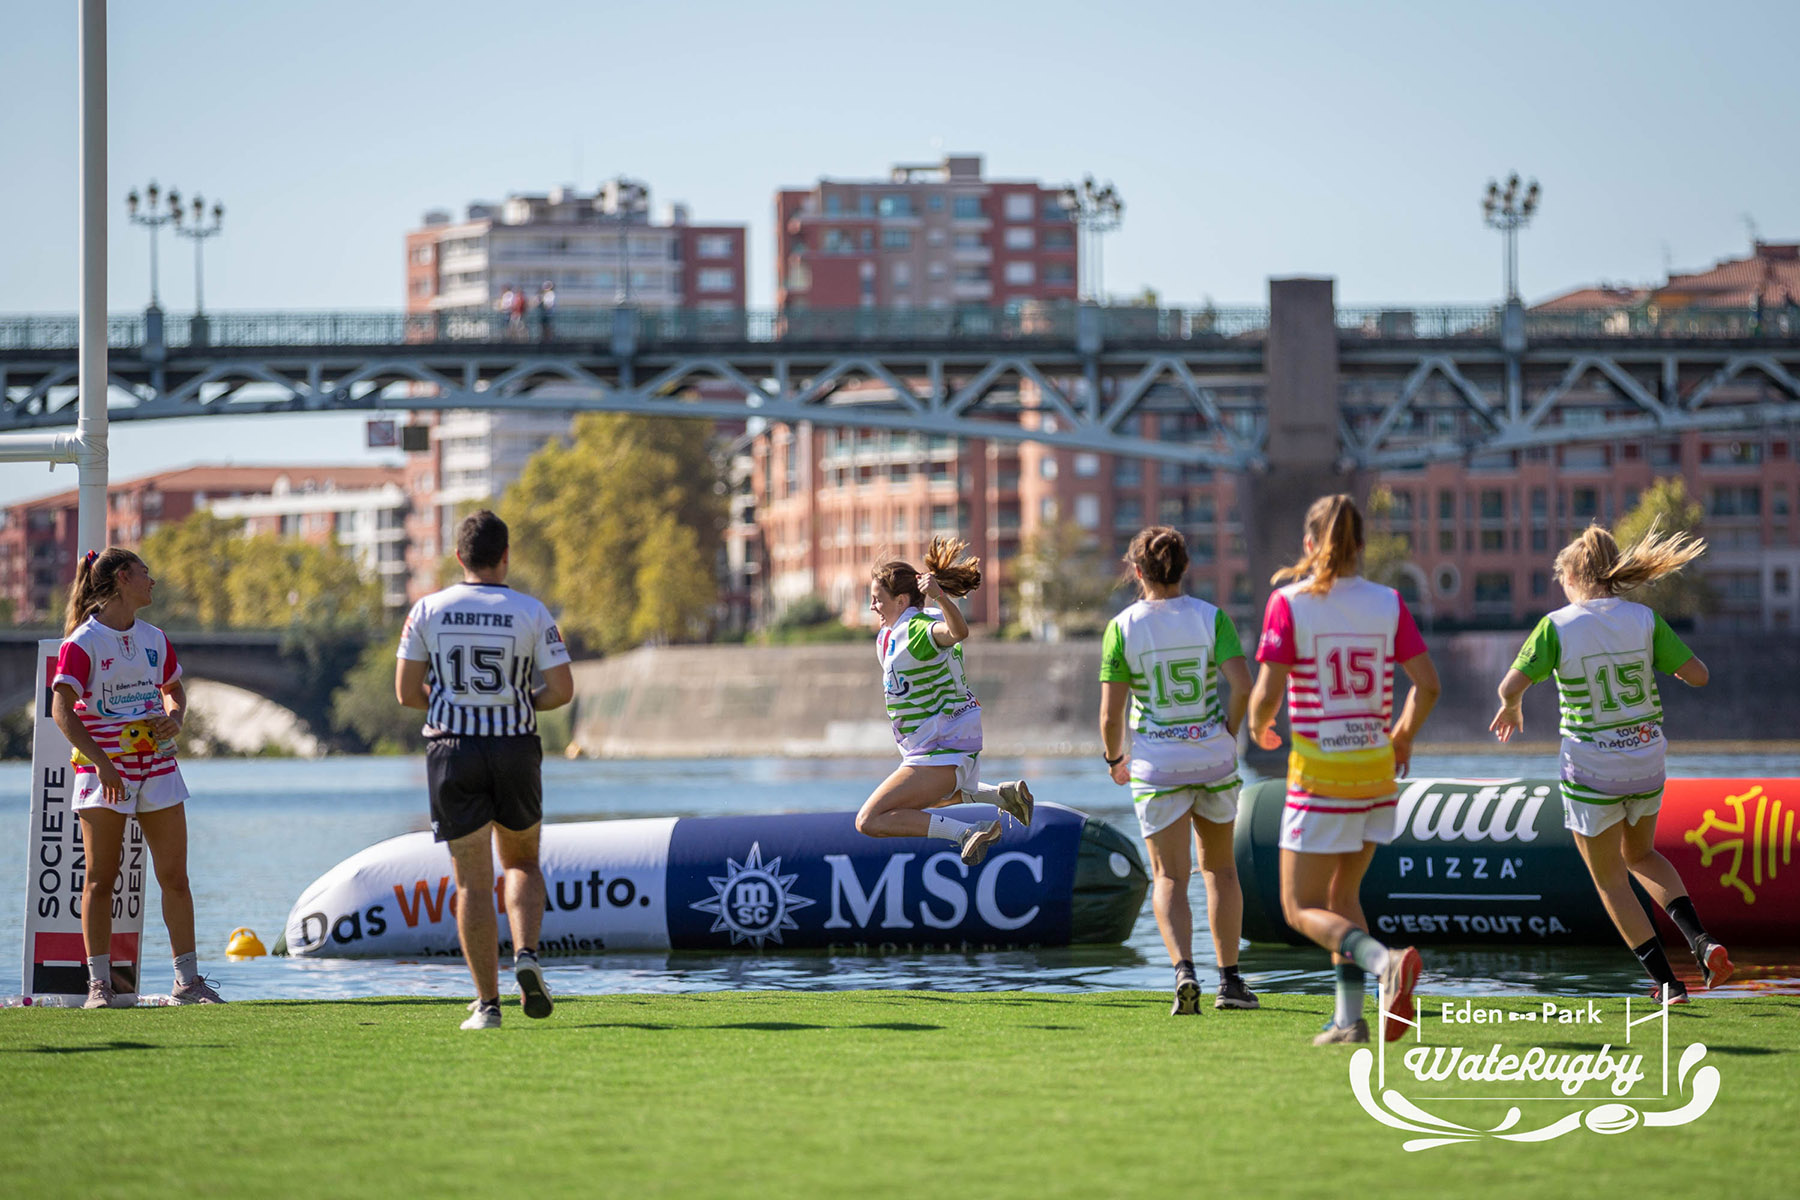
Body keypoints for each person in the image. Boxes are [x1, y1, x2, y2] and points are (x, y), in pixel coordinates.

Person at [1490, 523, 1732, 1003]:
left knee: (1610, 880)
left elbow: (1509, 685)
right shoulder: (1643, 619)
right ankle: (1702, 944)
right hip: (1646, 762)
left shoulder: (1556, 626)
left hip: (1592, 770)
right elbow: (1700, 676)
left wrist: (1513, 706)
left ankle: (1667, 984)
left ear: (1574, 577)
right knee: (1641, 854)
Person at [1247, 494, 1439, 1046]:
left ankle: (1385, 963)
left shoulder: (1290, 603)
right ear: (1361, 546)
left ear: (1310, 545)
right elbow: (1428, 686)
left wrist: (1260, 726)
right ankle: (1349, 1020)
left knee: (1297, 906)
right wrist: (1401, 736)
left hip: (1320, 778)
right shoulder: (1389, 602)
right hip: (1376, 776)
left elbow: (1267, 691)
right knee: (1343, 897)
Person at [397, 510, 574, 1030]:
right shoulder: (532, 611)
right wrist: (517, 700)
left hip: (453, 751)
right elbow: (562, 690)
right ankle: (527, 955)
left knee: (472, 883)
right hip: (516, 748)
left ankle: (488, 1006)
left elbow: (407, 693)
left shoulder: (427, 609)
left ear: (458, 557)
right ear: (505, 556)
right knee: (521, 864)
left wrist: (456, 699)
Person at [51, 547, 224, 1008]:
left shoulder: (155, 637)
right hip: (104, 772)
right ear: (124, 578)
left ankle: (187, 983)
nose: (153, 581)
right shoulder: (83, 642)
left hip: (158, 765)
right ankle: (99, 986)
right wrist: (103, 763)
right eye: (147, 573)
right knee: (100, 879)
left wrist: (176, 717)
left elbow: (174, 692)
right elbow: (61, 711)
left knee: (175, 877)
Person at [1099, 526, 1257, 1014]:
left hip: (1156, 767)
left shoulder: (1122, 627)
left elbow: (1110, 716)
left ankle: (1183, 971)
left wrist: (1114, 759)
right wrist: (1228, 733)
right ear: (1185, 568)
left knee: (1169, 877)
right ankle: (1230, 982)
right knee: (1221, 871)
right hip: (1212, 758)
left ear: (1137, 572)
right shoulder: (1213, 618)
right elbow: (1243, 686)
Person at [857, 535, 1033, 867]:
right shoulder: (890, 637)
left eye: (877, 599)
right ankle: (1003, 796)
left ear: (902, 599)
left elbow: (957, 633)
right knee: (919, 807)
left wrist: (941, 597)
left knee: (869, 820)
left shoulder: (921, 630)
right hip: (935, 749)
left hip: (942, 752)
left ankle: (968, 833)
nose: (872, 606)